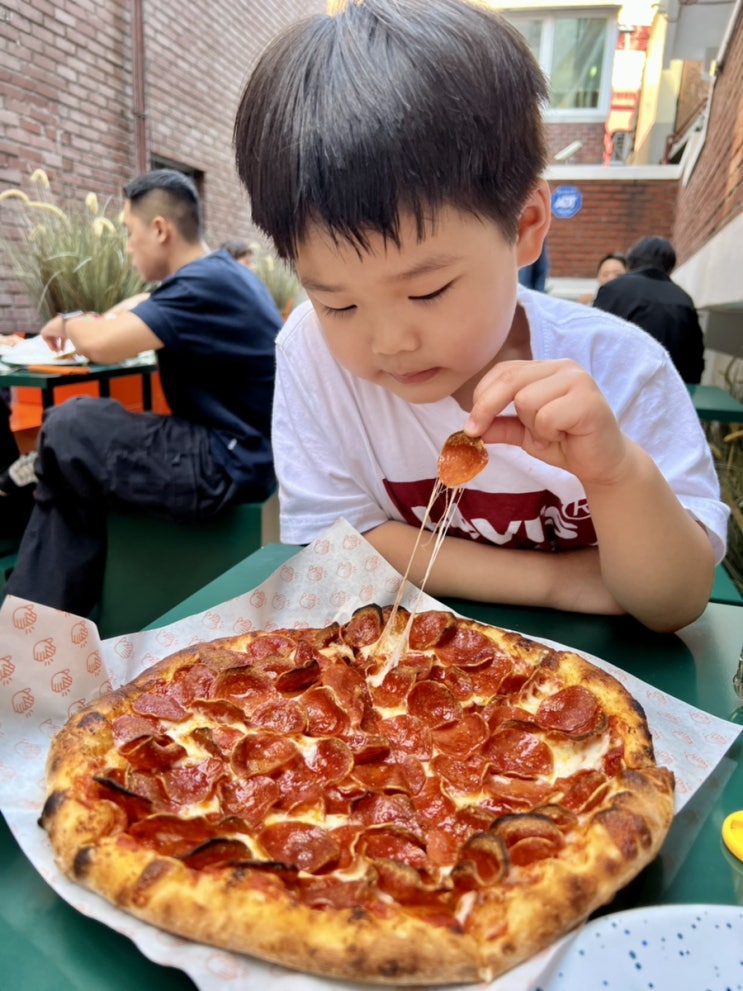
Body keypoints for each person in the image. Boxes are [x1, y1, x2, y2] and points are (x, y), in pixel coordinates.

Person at [232, 0, 727, 633]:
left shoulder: (622, 367)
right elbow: (342, 538)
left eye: (429, 290)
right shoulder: (310, 353)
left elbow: (677, 601)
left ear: (524, 226)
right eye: (339, 303)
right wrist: (560, 582)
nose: (389, 342)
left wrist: (616, 472)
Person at [2, 168, 282, 616]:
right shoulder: (220, 274)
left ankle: (32, 624)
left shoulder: (201, 285)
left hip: (227, 462)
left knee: (70, 425)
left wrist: (66, 321)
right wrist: (98, 315)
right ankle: (43, 621)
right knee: (71, 469)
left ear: (159, 229)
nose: (127, 247)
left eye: (130, 233)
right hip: (245, 453)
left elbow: (100, 345)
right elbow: (138, 306)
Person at [593, 236, 705, 384]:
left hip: (615, 389)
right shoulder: (684, 300)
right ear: (670, 264)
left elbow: (592, 342)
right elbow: (694, 361)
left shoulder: (613, 289)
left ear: (632, 260)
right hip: (665, 393)